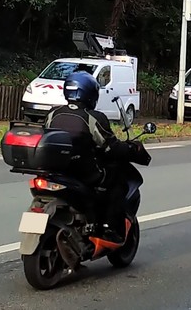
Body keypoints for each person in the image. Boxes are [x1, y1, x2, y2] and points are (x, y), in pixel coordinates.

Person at [44, 71, 136, 246]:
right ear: (90, 93)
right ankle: (108, 227)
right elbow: (110, 146)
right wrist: (130, 148)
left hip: (55, 170)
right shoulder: (93, 117)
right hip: (83, 172)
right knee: (116, 181)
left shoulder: (53, 113)